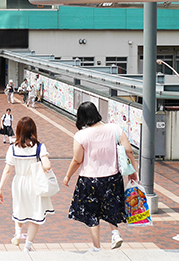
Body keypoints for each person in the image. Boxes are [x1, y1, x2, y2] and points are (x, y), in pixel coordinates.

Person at [62, 102, 138, 253]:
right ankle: (115, 233)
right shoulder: (114, 129)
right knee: (111, 206)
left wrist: (68, 176)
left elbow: (77, 160)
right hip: (113, 177)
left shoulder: (81, 135)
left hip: (89, 179)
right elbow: (129, 150)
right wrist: (133, 171)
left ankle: (97, 247)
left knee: (91, 213)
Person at [0, 116, 54, 252]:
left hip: (19, 182)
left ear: (18, 131)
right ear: (33, 130)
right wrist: (45, 164)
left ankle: (17, 232)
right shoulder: (39, 147)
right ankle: (27, 246)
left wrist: (0, 189)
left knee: (19, 207)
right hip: (35, 182)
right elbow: (46, 164)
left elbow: (7, 170)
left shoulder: (13, 148)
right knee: (35, 214)